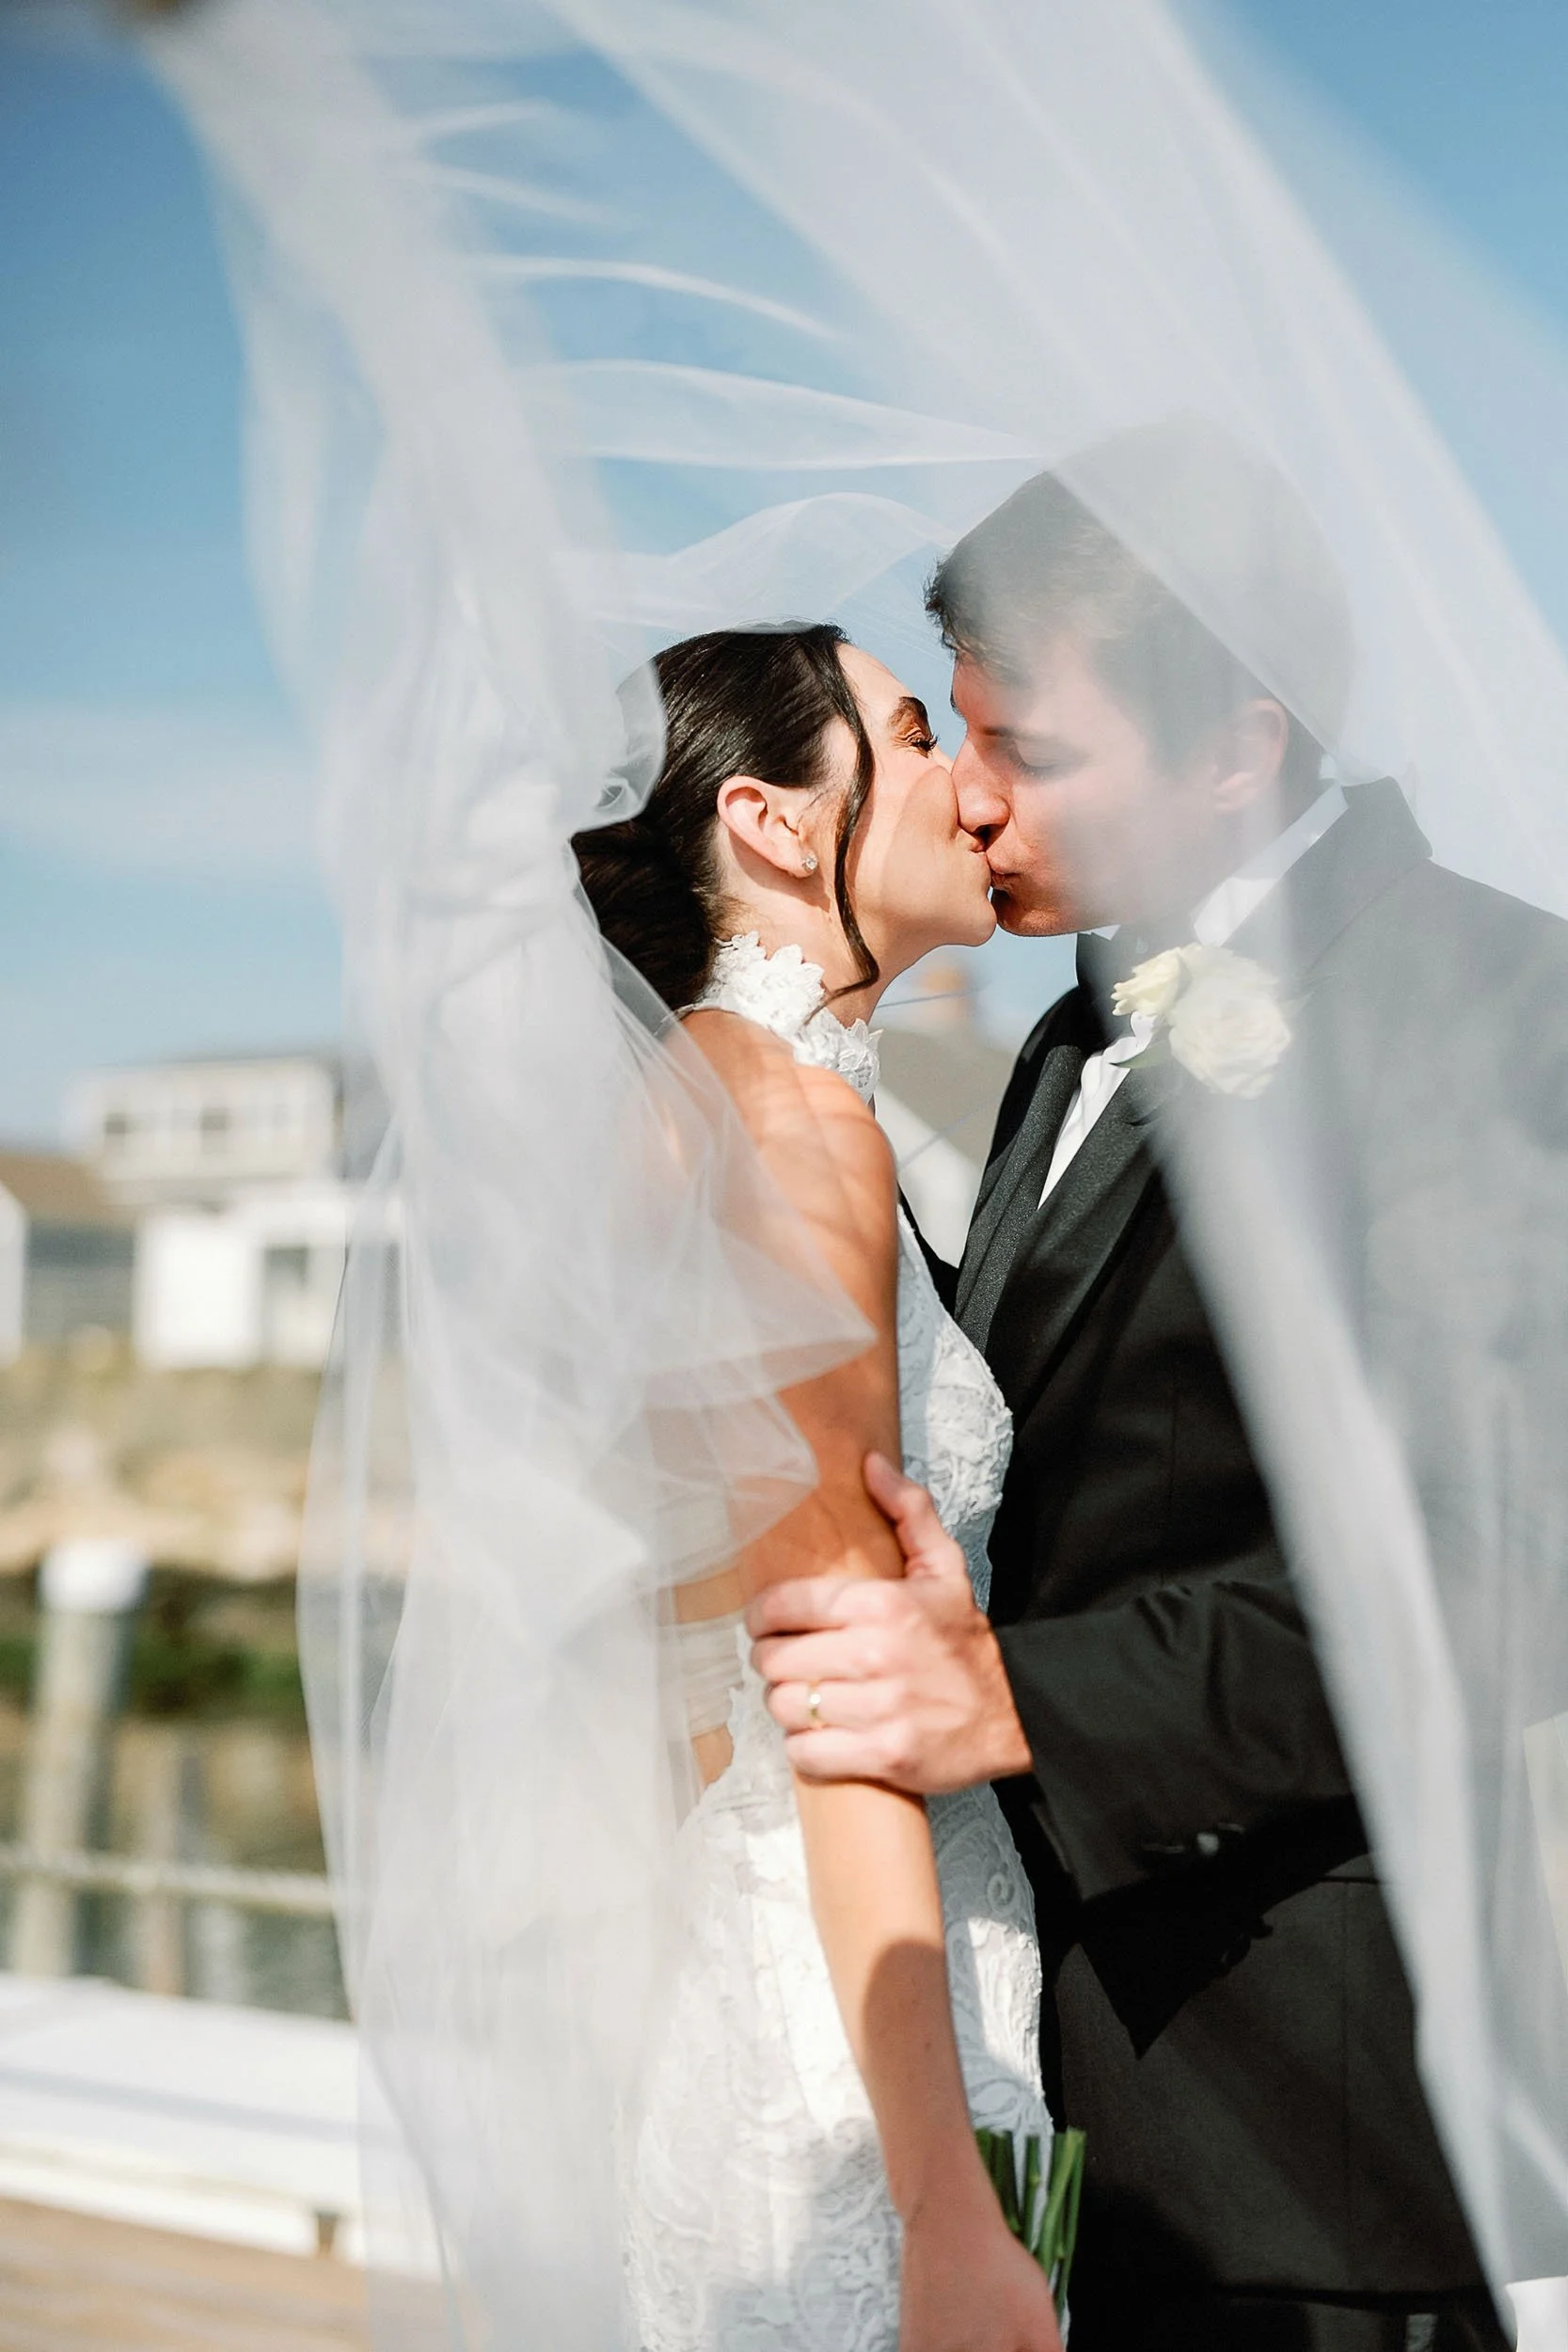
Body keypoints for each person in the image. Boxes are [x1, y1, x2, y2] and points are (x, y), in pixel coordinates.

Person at [750, 436, 1544, 2351]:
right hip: (1038, 2088)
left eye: (1033, 748)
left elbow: (1492, 1565)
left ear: (1232, 749)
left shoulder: (1497, 1002)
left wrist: (1012, 1694)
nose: (966, 792)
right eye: (964, 730)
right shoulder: (1061, 1031)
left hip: (1298, 2135)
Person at [574, 621, 1062, 2352]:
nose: (967, 784)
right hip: (878, 2013)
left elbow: (683, 1673)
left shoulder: (679, 1113)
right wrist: (943, 2206)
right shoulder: (791, 1132)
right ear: (778, 824)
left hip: (754, 1951)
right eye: (916, 733)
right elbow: (834, 1694)